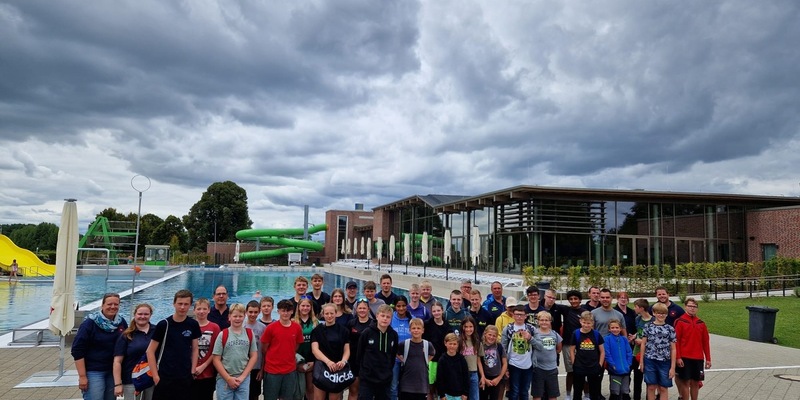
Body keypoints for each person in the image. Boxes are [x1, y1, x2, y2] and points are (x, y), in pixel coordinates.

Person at [72, 292, 128, 400]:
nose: (113, 307)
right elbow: (77, 350)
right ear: (102, 305)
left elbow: (127, 343)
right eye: (109, 304)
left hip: (113, 372)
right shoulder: (90, 323)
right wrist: (82, 376)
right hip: (94, 371)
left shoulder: (121, 322)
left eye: (116, 304)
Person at [147, 289, 201, 400]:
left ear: (190, 305)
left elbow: (195, 348)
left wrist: (193, 370)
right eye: (180, 304)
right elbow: (150, 351)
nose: (182, 307)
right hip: (165, 376)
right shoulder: (163, 325)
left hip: (184, 376)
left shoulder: (193, 324)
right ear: (174, 304)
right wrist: (155, 376)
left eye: (186, 304)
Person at [212, 303, 259, 400]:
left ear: (244, 317)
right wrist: (228, 378)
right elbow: (216, 359)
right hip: (224, 378)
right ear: (229, 317)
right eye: (235, 316)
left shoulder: (249, 334)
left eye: (240, 316)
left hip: (243, 378)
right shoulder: (223, 334)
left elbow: (254, 356)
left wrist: (243, 376)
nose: (237, 319)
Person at [261, 300, 304, 400]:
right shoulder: (271, 328)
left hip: (289, 370)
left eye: (288, 311)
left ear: (292, 312)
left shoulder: (297, 328)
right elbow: (264, 348)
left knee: (287, 397)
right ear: (278, 311)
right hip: (272, 370)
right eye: (283, 311)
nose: (285, 313)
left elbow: (296, 345)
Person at [113, 303, 154, 400]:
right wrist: (118, 384)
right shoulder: (127, 335)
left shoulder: (157, 331)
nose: (142, 317)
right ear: (134, 315)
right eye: (140, 314)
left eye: (146, 314)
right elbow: (117, 361)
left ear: (150, 315)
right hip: (132, 381)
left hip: (152, 380)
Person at [357, 304, 399, 400]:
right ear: (377, 316)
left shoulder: (393, 335)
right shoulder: (367, 333)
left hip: (385, 379)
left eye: (388, 317)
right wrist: (364, 371)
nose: (385, 319)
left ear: (391, 319)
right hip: (367, 378)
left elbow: (392, 356)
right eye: (382, 316)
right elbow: (359, 354)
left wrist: (387, 371)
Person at [311, 303, 351, 400]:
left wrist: (343, 361)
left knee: (334, 397)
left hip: (337, 367)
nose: (329, 316)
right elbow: (315, 350)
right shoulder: (317, 330)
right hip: (321, 366)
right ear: (323, 315)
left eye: (332, 313)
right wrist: (328, 362)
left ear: (336, 314)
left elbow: (347, 350)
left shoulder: (344, 330)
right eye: (327, 313)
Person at [674, 298, 711, 400]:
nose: (692, 308)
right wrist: (678, 357)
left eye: (694, 307)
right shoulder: (680, 321)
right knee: (685, 382)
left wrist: (708, 358)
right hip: (684, 358)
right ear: (685, 307)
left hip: (698, 358)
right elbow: (676, 341)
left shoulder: (701, 323)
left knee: (695, 383)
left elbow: (705, 342)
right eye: (690, 306)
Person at [639, 303, 676, 400]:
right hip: (650, 360)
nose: (661, 315)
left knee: (663, 387)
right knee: (651, 386)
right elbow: (643, 344)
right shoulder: (648, 327)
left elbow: (673, 348)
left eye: (663, 313)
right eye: (658, 313)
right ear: (654, 313)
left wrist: (672, 367)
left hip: (664, 361)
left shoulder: (670, 329)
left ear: (666, 314)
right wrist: (642, 361)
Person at [501, 304, 535, 400]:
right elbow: (503, 348)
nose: (519, 317)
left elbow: (538, 345)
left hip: (528, 364)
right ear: (513, 315)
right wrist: (505, 367)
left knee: (525, 391)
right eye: (517, 314)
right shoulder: (508, 329)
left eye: (521, 314)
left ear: (526, 316)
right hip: (513, 364)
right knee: (514, 391)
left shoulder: (531, 329)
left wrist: (530, 338)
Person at [397, 318, 435, 400]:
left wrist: (425, 361)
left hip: (421, 385)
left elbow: (432, 353)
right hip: (406, 385)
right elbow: (396, 353)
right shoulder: (404, 344)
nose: (416, 330)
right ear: (409, 330)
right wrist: (403, 360)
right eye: (413, 328)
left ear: (423, 330)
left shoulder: (427, 344)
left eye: (418, 328)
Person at [191, 298, 221, 400]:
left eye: (204, 309)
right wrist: (193, 367)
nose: (201, 311)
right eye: (199, 309)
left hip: (208, 372)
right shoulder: (189, 326)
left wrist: (203, 366)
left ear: (209, 310)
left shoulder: (215, 327)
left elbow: (216, 351)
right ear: (194, 310)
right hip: (190, 372)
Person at [570, 311, 604, 400]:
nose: (586, 325)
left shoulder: (596, 334)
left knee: (594, 391)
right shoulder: (576, 333)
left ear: (592, 323)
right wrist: (574, 363)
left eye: (588, 323)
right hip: (579, 366)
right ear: (580, 321)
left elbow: (602, 351)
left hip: (593, 366)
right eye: (584, 322)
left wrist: (600, 364)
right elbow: (572, 350)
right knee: (577, 390)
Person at [423, 301, 452, 400]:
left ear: (442, 311)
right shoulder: (427, 325)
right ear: (431, 312)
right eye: (434, 311)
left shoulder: (447, 326)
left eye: (438, 310)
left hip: (443, 360)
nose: (436, 313)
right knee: (430, 388)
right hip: (431, 361)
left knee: (442, 387)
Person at [531, 311, 562, 400]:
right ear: (538, 321)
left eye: (546, 320)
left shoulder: (554, 334)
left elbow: (559, 348)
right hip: (538, 368)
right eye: (542, 320)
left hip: (552, 369)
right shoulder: (534, 333)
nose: (544, 322)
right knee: (537, 394)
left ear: (550, 322)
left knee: (553, 394)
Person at [561, 290, 586, 400]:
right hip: (567, 344)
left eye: (575, 299)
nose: (573, 301)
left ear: (580, 300)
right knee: (570, 371)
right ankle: (567, 394)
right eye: (571, 299)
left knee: (583, 371)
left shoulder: (584, 312)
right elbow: (550, 304)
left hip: (582, 345)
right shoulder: (566, 310)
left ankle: (587, 394)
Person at [347, 298, 374, 400]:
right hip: (354, 361)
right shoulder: (351, 323)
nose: (362, 310)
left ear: (368, 309)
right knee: (354, 391)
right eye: (360, 308)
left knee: (367, 392)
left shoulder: (374, 324)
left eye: (364, 308)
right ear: (356, 309)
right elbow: (347, 342)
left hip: (368, 362)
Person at [294, 297, 319, 398]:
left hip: (310, 360)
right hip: (296, 360)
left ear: (311, 307)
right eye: (303, 305)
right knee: (297, 389)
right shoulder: (293, 322)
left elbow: (319, 344)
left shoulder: (315, 323)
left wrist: (314, 360)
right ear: (298, 307)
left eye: (307, 306)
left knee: (310, 388)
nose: (305, 308)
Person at [603, 319, 632, 400]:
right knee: (615, 390)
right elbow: (607, 354)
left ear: (620, 328)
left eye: (617, 327)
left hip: (625, 369)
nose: (615, 329)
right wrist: (612, 364)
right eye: (612, 328)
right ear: (609, 329)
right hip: (614, 370)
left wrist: (629, 364)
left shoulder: (624, 339)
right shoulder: (607, 339)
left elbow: (629, 352)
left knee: (625, 390)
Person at [391, 295, 412, 400]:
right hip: (394, 359)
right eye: (398, 306)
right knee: (393, 386)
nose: (401, 308)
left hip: (408, 359)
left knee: (406, 387)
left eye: (403, 306)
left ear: (407, 306)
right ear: (395, 306)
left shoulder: (411, 319)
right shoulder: (391, 318)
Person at [436, 333, 469, 400]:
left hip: (459, 395)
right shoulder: (442, 359)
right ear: (445, 343)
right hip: (446, 395)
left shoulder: (461, 359)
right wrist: (442, 394)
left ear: (457, 345)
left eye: (454, 344)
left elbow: (466, 377)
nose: (452, 346)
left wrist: (465, 393)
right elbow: (439, 378)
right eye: (450, 344)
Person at [631, 299, 652, 400]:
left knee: (649, 379)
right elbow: (638, 332)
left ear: (641, 308)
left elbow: (655, 339)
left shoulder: (653, 321)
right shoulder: (638, 319)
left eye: (635, 306)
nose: (634, 308)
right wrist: (634, 337)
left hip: (649, 354)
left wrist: (643, 342)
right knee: (637, 378)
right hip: (637, 352)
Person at [245, 300, 266, 400]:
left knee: (254, 394)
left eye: (255, 312)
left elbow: (263, 351)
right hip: (242, 367)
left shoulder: (262, 328)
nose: (253, 314)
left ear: (259, 312)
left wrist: (262, 369)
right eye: (250, 312)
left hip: (256, 367)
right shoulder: (241, 325)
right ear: (246, 312)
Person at [459, 317, 485, 400]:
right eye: (466, 327)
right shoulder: (458, 341)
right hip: (461, 373)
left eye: (470, 327)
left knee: (475, 397)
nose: (468, 329)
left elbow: (479, 361)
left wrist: (483, 376)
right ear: (462, 327)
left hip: (473, 373)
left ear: (474, 327)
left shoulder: (477, 342)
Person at [479, 325, 506, 400]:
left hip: (496, 378)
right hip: (484, 377)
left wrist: (499, 378)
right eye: (489, 335)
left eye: (494, 336)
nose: (491, 337)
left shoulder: (499, 346)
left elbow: (505, 363)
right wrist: (483, 377)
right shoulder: (481, 346)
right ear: (485, 334)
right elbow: (479, 362)